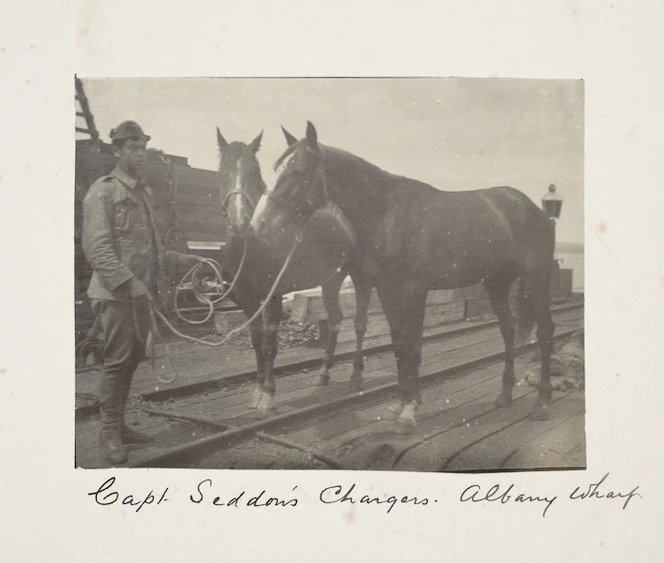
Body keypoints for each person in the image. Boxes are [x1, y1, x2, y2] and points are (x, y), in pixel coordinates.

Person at [82, 120, 203, 464]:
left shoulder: (143, 193)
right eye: (132, 147)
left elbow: (152, 250)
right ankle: (108, 433)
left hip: (140, 295)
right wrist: (130, 282)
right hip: (116, 294)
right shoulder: (103, 191)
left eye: (143, 147)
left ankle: (119, 426)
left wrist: (182, 259)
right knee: (117, 363)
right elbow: (97, 248)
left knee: (131, 360)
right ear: (117, 151)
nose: (140, 153)